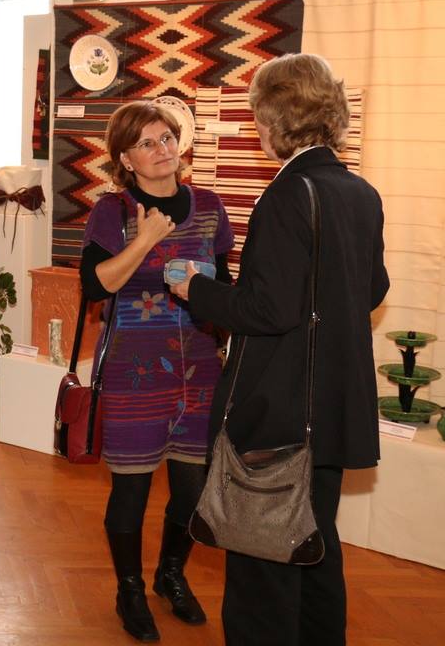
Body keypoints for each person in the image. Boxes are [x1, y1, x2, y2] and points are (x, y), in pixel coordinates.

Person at [170, 53, 388, 646]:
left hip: (282, 411)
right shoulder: (360, 192)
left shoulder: (288, 194)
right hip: (332, 406)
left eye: (257, 115)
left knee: (262, 569)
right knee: (315, 551)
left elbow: (268, 310)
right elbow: (372, 289)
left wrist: (198, 291)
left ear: (274, 118)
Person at [82, 100, 234, 642]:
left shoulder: (210, 207)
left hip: (200, 368)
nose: (162, 149)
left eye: (167, 137)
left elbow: (225, 287)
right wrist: (145, 239)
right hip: (135, 369)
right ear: (126, 158)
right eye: (146, 143)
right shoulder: (114, 211)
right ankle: (129, 589)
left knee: (192, 489)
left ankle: (171, 574)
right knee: (132, 490)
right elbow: (95, 284)